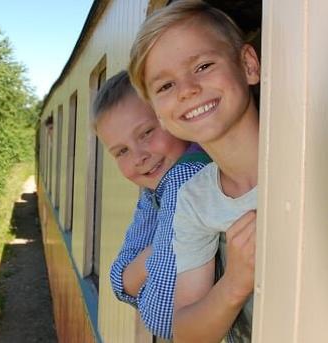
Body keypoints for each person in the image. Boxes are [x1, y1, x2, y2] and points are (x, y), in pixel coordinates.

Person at [128, 1, 260, 342]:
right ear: (158, 114)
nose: (187, 89)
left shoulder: (308, 159)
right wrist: (235, 282)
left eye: (202, 66)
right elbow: (186, 333)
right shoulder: (194, 198)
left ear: (248, 65)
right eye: (165, 86)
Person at [92, 70, 211, 339]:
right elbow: (118, 276)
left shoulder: (185, 179)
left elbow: (165, 319)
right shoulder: (155, 188)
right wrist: (150, 261)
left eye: (146, 133)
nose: (139, 158)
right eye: (121, 151)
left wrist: (138, 275)